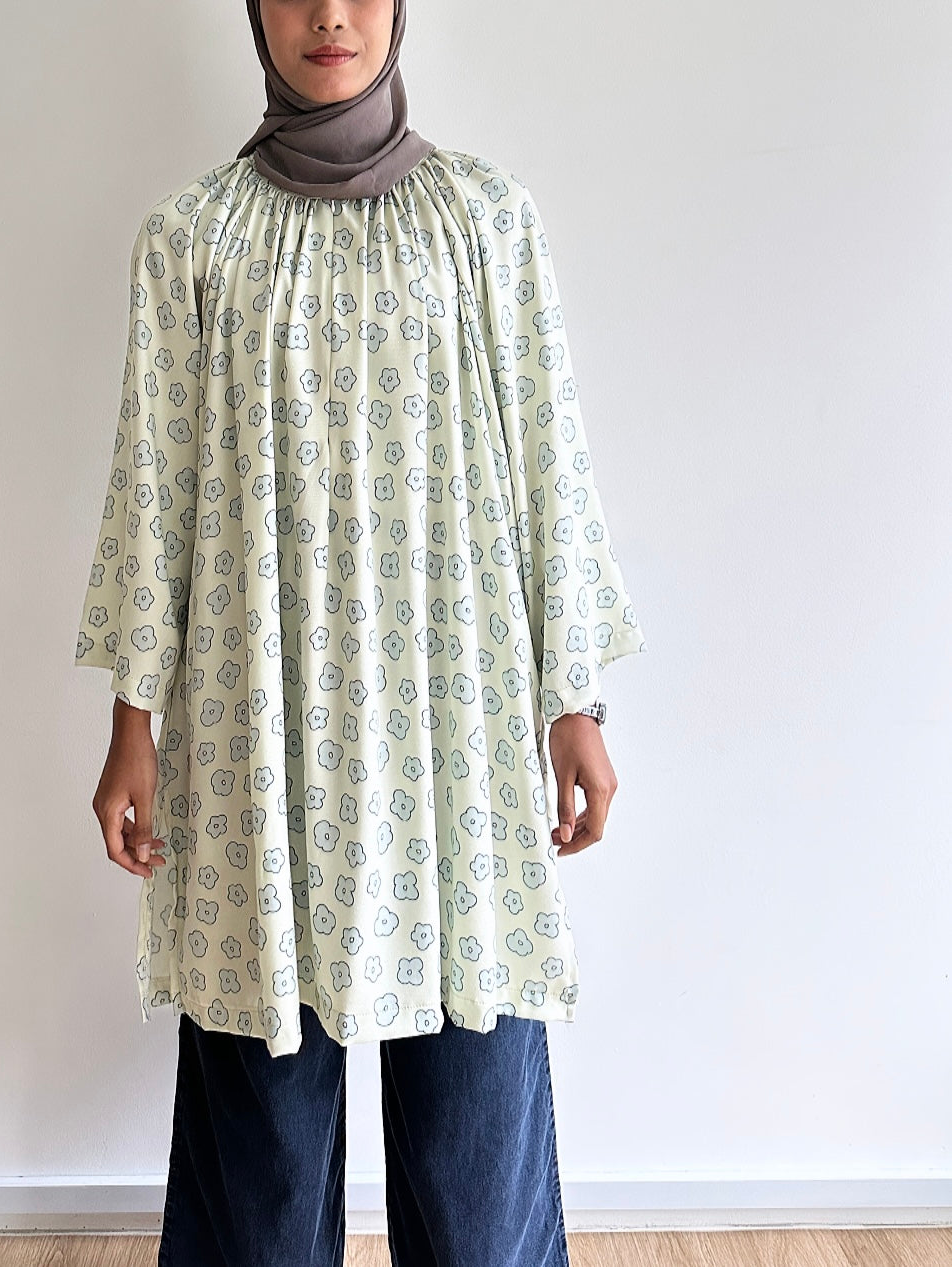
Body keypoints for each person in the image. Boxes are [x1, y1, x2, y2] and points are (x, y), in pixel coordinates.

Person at [74, 1, 649, 1262]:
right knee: (262, 1149)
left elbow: (547, 463)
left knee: (474, 1132)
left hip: (460, 722)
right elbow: (154, 486)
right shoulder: (193, 237)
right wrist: (132, 719)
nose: (328, 15)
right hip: (257, 719)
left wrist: (574, 699)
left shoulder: (484, 219)